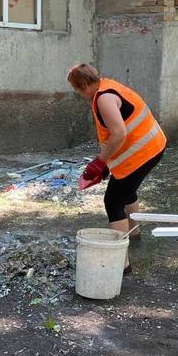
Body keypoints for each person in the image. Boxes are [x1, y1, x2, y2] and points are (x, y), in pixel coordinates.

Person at [67, 64, 166, 262]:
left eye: (77, 89)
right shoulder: (107, 85)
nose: (79, 94)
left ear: (85, 85)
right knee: (127, 191)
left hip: (143, 153)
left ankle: (121, 263)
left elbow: (119, 134)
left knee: (113, 201)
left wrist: (99, 163)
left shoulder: (104, 99)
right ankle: (135, 235)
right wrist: (106, 166)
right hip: (153, 146)